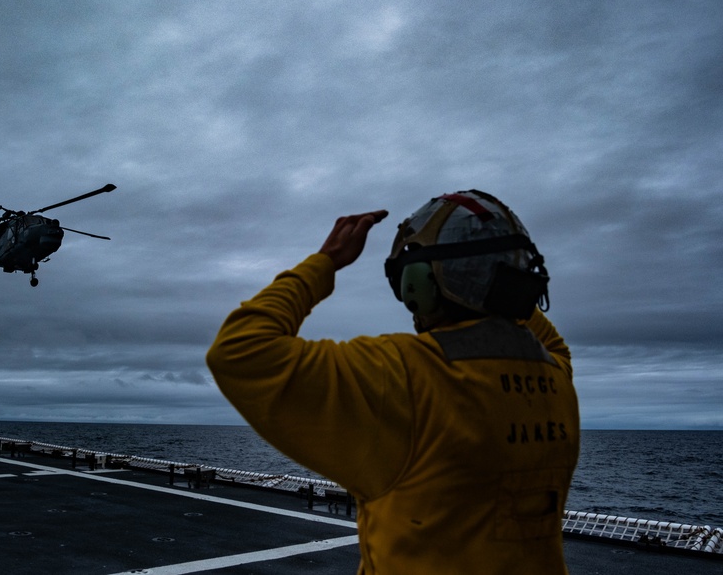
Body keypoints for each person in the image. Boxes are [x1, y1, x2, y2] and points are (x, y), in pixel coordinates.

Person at [206, 190, 579, 574]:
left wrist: (325, 262)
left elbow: (239, 351)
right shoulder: (555, 374)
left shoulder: (402, 374)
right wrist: (495, 278)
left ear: (416, 283)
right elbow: (546, 339)